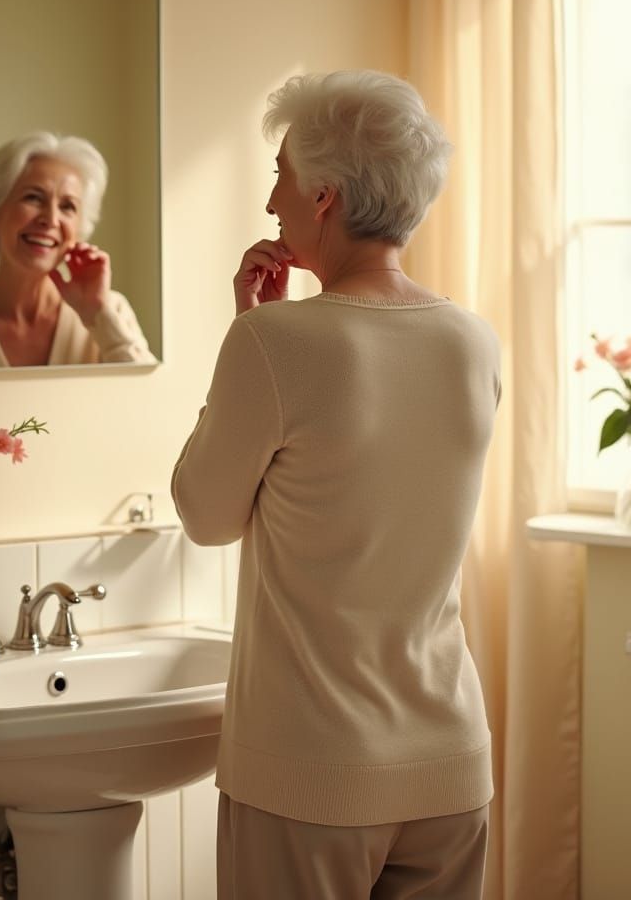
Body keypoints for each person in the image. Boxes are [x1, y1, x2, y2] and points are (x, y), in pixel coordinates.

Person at [171, 71, 500, 899]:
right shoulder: (472, 339)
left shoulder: (277, 341)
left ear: (324, 196)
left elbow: (205, 516)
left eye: (280, 173)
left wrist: (249, 330)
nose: (273, 198)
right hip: (451, 763)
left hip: (311, 773)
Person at [0, 131, 154, 369]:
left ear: (79, 229)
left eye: (67, 206)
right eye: (33, 198)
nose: (51, 219)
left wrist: (99, 315)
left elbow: (149, 398)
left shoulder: (111, 309)